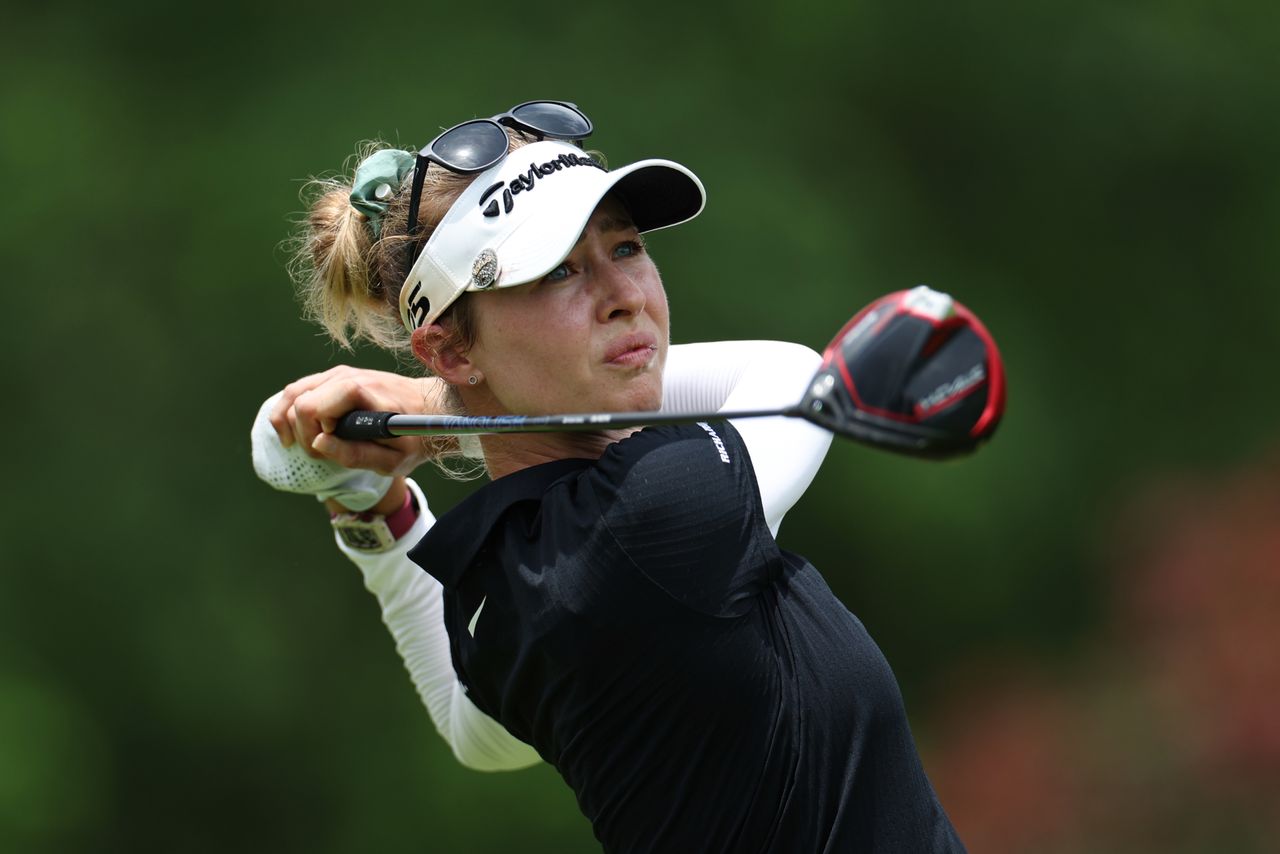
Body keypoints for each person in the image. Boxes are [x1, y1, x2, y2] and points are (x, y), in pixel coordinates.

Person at [251, 100, 965, 852]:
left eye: (624, 248)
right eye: (558, 271)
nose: (625, 295)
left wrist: (372, 506)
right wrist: (432, 418)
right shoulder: (653, 521)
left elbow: (477, 736)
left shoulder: (512, 578)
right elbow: (792, 378)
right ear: (453, 352)